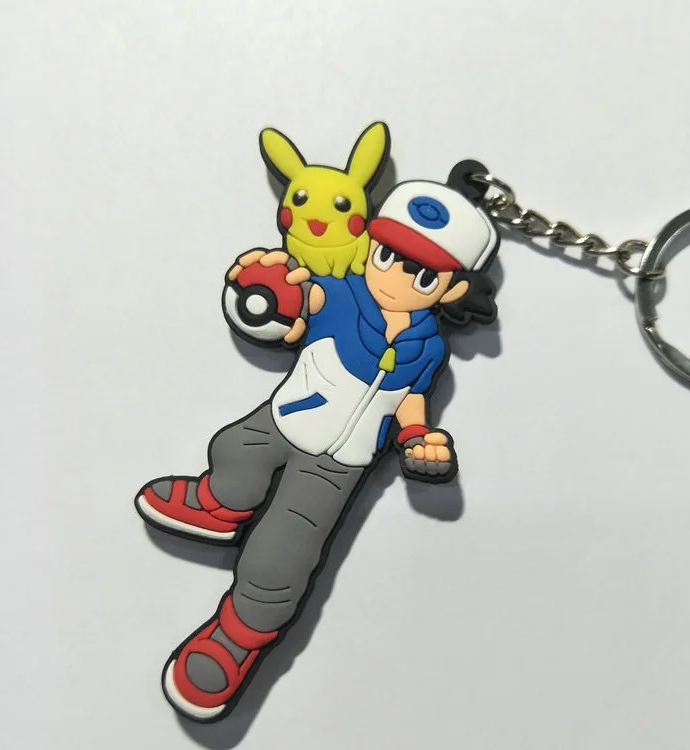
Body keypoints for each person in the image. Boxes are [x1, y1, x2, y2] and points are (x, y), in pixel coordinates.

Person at [135, 177, 500, 722]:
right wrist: (271, 283)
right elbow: (303, 298)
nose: (395, 278)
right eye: (387, 256)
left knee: (283, 556)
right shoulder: (345, 293)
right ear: (370, 245)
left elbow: (410, 401)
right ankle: (218, 504)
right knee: (235, 451)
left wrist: (418, 439)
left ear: (449, 290)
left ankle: (236, 640)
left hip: (339, 466)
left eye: (422, 275)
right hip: (282, 422)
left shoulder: (428, 347)